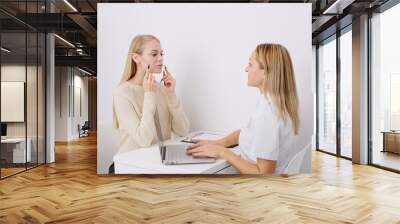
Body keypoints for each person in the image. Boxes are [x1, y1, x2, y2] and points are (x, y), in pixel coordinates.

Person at [187, 43, 300, 174]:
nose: (246, 69)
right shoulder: (270, 102)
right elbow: (247, 132)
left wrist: (222, 152)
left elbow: (263, 175)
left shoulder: (269, 115)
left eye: (251, 64)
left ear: (266, 72)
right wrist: (218, 143)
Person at [113, 34, 190, 156]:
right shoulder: (122, 93)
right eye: (154, 54)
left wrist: (171, 95)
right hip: (130, 164)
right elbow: (144, 140)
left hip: (158, 161)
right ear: (136, 58)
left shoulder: (160, 89)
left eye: (161, 54)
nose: (160, 58)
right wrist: (149, 94)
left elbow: (183, 130)